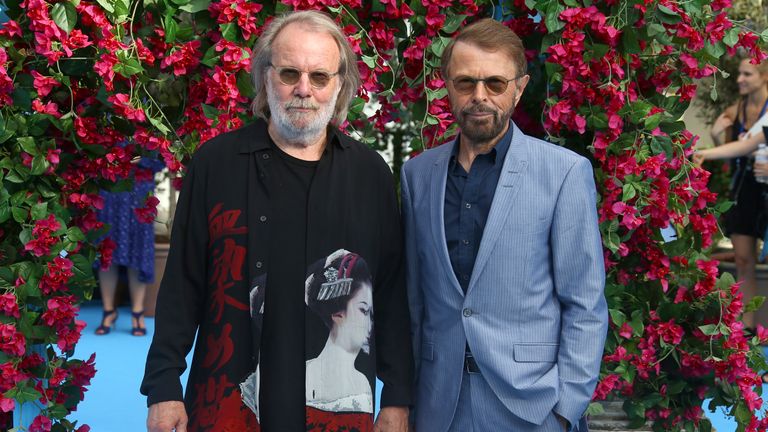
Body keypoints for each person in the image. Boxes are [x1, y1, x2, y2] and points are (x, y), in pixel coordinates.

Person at [141, 10, 412, 432]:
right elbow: (183, 283)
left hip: (336, 410)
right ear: (266, 78)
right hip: (230, 401)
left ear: (339, 85)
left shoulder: (369, 173)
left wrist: (397, 397)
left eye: (319, 77)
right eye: (289, 73)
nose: (304, 89)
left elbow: (391, 292)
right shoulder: (216, 164)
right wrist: (163, 387)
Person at [401, 19, 608, 432]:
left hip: (532, 408)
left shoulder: (564, 173)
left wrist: (565, 410)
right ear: (446, 86)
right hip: (439, 406)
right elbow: (413, 302)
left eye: (495, 83)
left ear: (519, 87)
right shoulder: (417, 175)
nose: (479, 96)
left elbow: (584, 302)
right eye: (465, 82)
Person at [700, 57, 768, 330]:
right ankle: (747, 331)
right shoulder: (737, 109)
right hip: (745, 186)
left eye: (746, 74)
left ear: (764, 76)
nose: (739, 79)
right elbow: (735, 151)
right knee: (743, 260)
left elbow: (751, 144)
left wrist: (706, 152)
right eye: (739, 73)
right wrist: (714, 140)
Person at [95, 155, 163, 336]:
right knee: (107, 252)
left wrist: (143, 159)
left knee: (138, 252)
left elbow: (162, 159)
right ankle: (108, 311)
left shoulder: (152, 126)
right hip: (110, 186)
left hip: (139, 191)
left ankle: (137, 312)